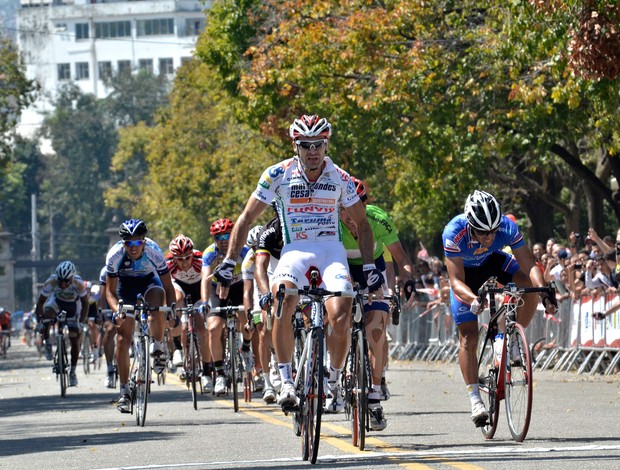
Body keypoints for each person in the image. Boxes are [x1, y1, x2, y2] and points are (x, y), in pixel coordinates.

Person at [212, 114, 384, 412]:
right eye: (306, 145)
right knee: (283, 298)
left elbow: (363, 224)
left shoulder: (340, 178)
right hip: (295, 251)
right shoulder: (276, 174)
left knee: (341, 312)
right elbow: (246, 218)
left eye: (318, 144)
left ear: (326, 145)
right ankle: (286, 379)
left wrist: (368, 266)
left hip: (331, 251)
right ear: (296, 146)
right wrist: (229, 261)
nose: (312, 151)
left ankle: (332, 379)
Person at [442, 190, 556, 427]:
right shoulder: (454, 232)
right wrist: (473, 299)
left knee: (526, 281)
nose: (490, 237)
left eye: (493, 231)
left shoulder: (507, 227)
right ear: (471, 226)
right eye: (483, 232)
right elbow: (455, 281)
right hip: (465, 277)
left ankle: (511, 335)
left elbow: (529, 264)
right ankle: (475, 398)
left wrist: (544, 291)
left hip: (491, 263)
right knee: (468, 336)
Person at [339, 176, 416, 430]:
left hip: (375, 270)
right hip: (344, 269)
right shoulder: (331, 223)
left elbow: (400, 257)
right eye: (345, 210)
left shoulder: (378, 218)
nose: (350, 216)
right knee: (339, 318)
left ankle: (373, 395)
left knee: (376, 330)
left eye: (355, 208)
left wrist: (408, 283)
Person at [105, 219, 177, 413]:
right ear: (123, 244)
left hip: (148, 282)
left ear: (144, 241)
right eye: (129, 243)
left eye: (137, 242)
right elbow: (110, 292)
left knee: (157, 304)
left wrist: (171, 309)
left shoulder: (154, 252)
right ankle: (124, 391)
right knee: (123, 338)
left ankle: (158, 346)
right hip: (124, 286)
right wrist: (116, 311)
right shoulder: (114, 256)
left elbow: (168, 287)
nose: (134, 247)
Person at [201, 218, 251, 396]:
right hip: (217, 290)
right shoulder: (209, 253)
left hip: (239, 287)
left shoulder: (244, 251)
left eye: (227, 235)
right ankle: (220, 373)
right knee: (213, 328)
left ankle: (245, 347)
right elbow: (205, 279)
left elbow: (249, 279)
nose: (223, 240)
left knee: (246, 317)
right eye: (218, 237)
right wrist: (205, 302)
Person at [34, 261, 89, 387]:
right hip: (57, 302)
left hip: (74, 306)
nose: (63, 284)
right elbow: (40, 303)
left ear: (72, 278)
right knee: (47, 316)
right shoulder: (51, 282)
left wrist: (80, 322)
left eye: (66, 281)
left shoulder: (78, 283)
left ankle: (73, 372)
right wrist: (40, 322)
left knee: (74, 338)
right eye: (61, 280)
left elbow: (85, 304)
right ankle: (47, 343)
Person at [166, 234, 207, 387]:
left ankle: (206, 365)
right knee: (176, 302)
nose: (184, 263)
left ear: (192, 255)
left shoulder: (201, 261)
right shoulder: (168, 263)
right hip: (180, 286)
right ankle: (178, 349)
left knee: (201, 327)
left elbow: (209, 280)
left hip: (198, 288)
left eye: (187, 258)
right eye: (179, 259)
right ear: (173, 257)